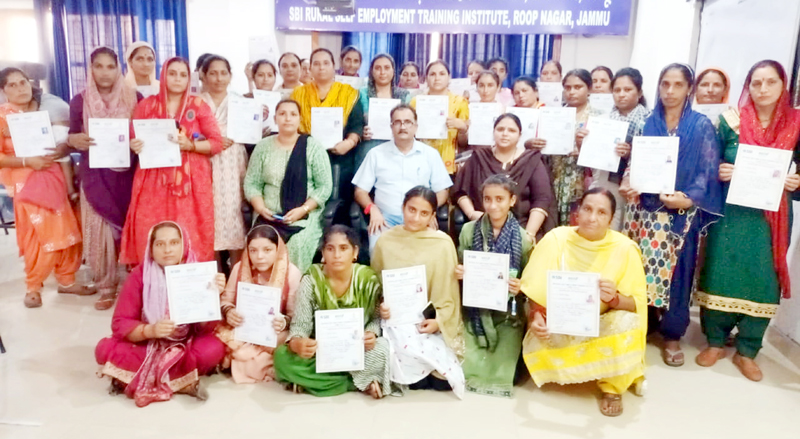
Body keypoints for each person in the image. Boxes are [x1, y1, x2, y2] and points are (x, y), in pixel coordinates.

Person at [696, 60, 800, 382]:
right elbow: (707, 161)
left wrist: (797, 180)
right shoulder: (731, 121)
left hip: (771, 217)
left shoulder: (796, 123)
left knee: (763, 276)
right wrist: (720, 170)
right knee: (720, 269)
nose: (763, 89)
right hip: (731, 213)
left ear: (783, 85)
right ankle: (715, 341)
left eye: (771, 82)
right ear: (748, 87)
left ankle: (747, 349)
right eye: (756, 83)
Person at [619, 63, 722, 367]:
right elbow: (634, 163)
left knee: (677, 273)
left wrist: (688, 198)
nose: (670, 91)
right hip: (644, 211)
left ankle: (673, 334)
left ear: (689, 88)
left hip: (680, 214)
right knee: (640, 269)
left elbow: (707, 170)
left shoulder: (701, 126)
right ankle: (643, 322)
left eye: (678, 85)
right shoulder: (647, 122)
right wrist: (628, 181)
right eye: (665, 84)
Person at [521, 188, 647, 416]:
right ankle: (566, 371)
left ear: (611, 219)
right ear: (577, 211)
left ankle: (612, 387)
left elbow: (637, 305)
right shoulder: (556, 239)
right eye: (587, 209)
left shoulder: (624, 249)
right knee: (538, 332)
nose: (592, 218)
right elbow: (535, 289)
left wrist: (614, 298)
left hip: (600, 325)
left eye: (601, 212)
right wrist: (536, 316)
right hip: (558, 323)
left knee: (627, 322)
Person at [95, 221, 227, 407]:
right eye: (160, 244)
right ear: (151, 248)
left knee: (213, 348)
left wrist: (213, 295)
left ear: (184, 244)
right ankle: (182, 381)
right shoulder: (139, 275)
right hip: (146, 343)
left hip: (184, 342)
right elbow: (120, 322)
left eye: (174, 243)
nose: (167, 250)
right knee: (105, 348)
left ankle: (129, 378)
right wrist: (151, 330)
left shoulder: (198, 274)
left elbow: (204, 329)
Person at [120, 57, 223, 265]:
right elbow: (132, 137)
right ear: (163, 75)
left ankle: (189, 279)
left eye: (183, 75)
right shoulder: (146, 105)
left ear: (189, 79)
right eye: (172, 73)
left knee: (190, 231)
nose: (177, 79)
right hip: (153, 180)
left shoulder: (198, 106)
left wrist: (190, 145)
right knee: (150, 228)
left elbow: (216, 143)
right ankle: (152, 279)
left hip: (190, 184)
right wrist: (134, 144)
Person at [0, 68, 89, 308]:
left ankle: (67, 280)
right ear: (3, 90)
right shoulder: (2, 117)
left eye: (23, 82)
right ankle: (33, 286)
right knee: (38, 235)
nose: (21, 88)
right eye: (13, 85)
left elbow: (59, 147)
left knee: (68, 229)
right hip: (26, 183)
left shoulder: (42, 112)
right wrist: (27, 162)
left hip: (53, 177)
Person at [273, 225, 391, 399]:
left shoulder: (368, 279)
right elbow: (301, 325)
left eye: (343, 248)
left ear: (355, 252)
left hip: (357, 348)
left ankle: (313, 382)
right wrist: (298, 343)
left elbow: (376, 319)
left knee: (382, 349)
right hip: (322, 349)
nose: (337, 255)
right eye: (330, 249)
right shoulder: (311, 280)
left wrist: (371, 333)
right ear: (323, 252)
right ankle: (355, 382)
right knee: (281, 357)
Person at [67, 47, 141, 310]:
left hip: (129, 173)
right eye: (99, 66)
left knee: (132, 227)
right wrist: (73, 140)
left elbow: (143, 131)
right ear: (91, 69)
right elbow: (72, 136)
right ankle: (106, 286)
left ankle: (135, 286)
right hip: (95, 175)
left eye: (110, 66)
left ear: (118, 68)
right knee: (99, 230)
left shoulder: (135, 98)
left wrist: (138, 142)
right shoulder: (79, 101)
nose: (105, 72)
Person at [372, 186, 465, 396]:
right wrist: (381, 307)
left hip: (429, 322)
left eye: (424, 213)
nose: (415, 218)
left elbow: (448, 294)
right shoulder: (385, 242)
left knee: (442, 382)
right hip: (397, 321)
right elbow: (376, 287)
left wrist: (438, 322)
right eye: (411, 210)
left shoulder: (442, 243)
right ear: (402, 208)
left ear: (433, 216)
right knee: (416, 381)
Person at [455, 175, 534, 397]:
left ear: (512, 200)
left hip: (508, 313)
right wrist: (460, 272)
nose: (492, 205)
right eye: (487, 199)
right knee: (467, 368)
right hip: (475, 309)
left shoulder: (523, 239)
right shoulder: (469, 230)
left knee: (508, 373)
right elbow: (461, 263)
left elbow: (528, 279)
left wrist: (520, 286)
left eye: (500, 199)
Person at [244, 99, 332, 272]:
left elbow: (324, 186)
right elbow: (252, 183)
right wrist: (260, 208)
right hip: (268, 215)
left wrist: (303, 209)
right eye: (282, 114)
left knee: (297, 243)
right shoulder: (263, 147)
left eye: (293, 114)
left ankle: (293, 287)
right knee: (259, 244)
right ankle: (262, 286)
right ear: (275, 119)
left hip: (303, 216)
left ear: (300, 119)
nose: (287, 118)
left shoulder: (313, 147)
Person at [353, 104, 452, 250]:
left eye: (407, 122)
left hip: (420, 219)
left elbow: (442, 191)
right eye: (397, 122)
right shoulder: (375, 154)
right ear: (391, 127)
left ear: (416, 126)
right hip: (385, 219)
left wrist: (428, 212)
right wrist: (372, 208)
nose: (403, 127)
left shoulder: (430, 154)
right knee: (379, 253)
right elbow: (360, 191)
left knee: (426, 255)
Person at [216, 225, 302, 383]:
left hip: (274, 333)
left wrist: (283, 322)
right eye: (253, 250)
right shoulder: (239, 268)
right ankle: (259, 363)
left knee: (284, 341)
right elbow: (226, 301)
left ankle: (246, 361)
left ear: (278, 250)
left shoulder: (291, 273)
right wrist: (229, 312)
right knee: (217, 339)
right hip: (244, 328)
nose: (259, 256)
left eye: (267, 250)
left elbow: (296, 316)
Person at [453, 114, 556, 241]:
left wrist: (529, 234)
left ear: (519, 135)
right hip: (482, 226)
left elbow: (542, 199)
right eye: (500, 129)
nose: (505, 134)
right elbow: (460, 191)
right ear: (493, 132)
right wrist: (472, 214)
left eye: (511, 130)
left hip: (521, 228)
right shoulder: (479, 157)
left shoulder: (531, 160)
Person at [290, 48, 362, 206]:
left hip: (340, 156)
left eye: (326, 63)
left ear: (333, 66)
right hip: (307, 156)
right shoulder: (298, 94)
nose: (321, 67)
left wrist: (349, 143)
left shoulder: (349, 93)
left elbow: (357, 125)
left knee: (339, 204)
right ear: (310, 68)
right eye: (316, 63)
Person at [530, 69, 603, 225]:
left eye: (578, 87)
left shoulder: (599, 118)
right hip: (555, 178)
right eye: (568, 88)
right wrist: (535, 144)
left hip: (582, 181)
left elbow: (603, 155)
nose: (572, 92)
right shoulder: (553, 115)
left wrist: (583, 150)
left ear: (589, 89)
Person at [200, 55, 248, 269]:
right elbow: (188, 133)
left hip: (232, 163)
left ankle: (237, 275)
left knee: (234, 215)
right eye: (213, 73)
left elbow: (252, 131)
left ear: (230, 76)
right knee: (208, 217)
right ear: (204, 75)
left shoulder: (240, 102)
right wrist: (209, 140)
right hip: (205, 160)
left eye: (223, 73)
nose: (218, 78)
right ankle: (215, 274)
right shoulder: (196, 103)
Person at [589, 68, 650, 230]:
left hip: (635, 189)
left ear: (639, 92)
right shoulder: (602, 120)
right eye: (617, 90)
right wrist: (583, 142)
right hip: (606, 183)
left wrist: (630, 153)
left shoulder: (649, 122)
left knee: (627, 232)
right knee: (605, 229)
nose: (621, 94)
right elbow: (591, 158)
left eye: (628, 90)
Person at [410, 60, 469, 175]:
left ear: (449, 77)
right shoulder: (415, 102)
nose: (437, 78)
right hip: (420, 162)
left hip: (448, 164)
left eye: (442, 74)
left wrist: (462, 128)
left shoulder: (460, 102)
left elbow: (463, 144)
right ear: (426, 78)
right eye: (432, 74)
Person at [357, 53, 411, 168]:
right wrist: (361, 132)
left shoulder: (404, 95)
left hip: (397, 148)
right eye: (378, 68)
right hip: (369, 148)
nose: (382, 72)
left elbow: (410, 123)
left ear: (393, 70)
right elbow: (354, 123)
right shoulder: (361, 94)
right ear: (371, 71)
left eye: (387, 68)